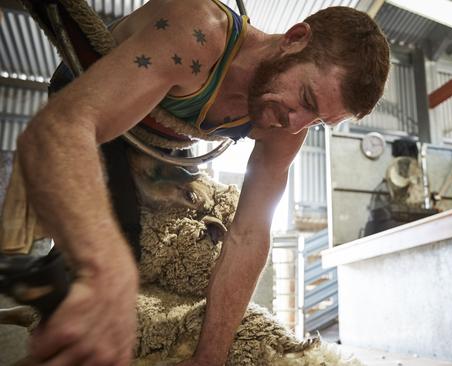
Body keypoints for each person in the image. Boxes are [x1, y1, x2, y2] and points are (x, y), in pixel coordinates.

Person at [16, 0, 390, 365]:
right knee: (122, 248)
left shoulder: (288, 121)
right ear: (294, 38)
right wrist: (108, 268)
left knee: (191, 254)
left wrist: (210, 355)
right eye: (305, 98)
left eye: (318, 121)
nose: (295, 125)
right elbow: (63, 126)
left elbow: (248, 234)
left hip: (163, 135)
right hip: (94, 93)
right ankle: (44, 303)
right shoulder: (198, 32)